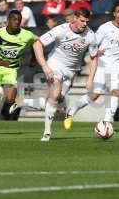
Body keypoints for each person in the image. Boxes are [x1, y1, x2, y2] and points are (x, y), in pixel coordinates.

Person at [64, 3, 119, 130]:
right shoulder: (105, 28)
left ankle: (107, 122)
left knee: (115, 92)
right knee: (94, 95)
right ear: (114, 13)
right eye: (117, 11)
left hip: (117, 66)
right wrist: (96, 51)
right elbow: (92, 42)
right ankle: (72, 109)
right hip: (102, 65)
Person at [32, 8, 99, 141]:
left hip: (71, 71)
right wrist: (45, 66)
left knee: (58, 101)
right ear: (74, 18)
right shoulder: (61, 30)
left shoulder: (90, 35)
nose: (85, 24)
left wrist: (90, 79)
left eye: (87, 21)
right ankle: (47, 133)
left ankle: (23, 102)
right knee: (55, 95)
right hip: (55, 65)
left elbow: (94, 57)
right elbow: (37, 44)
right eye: (82, 21)